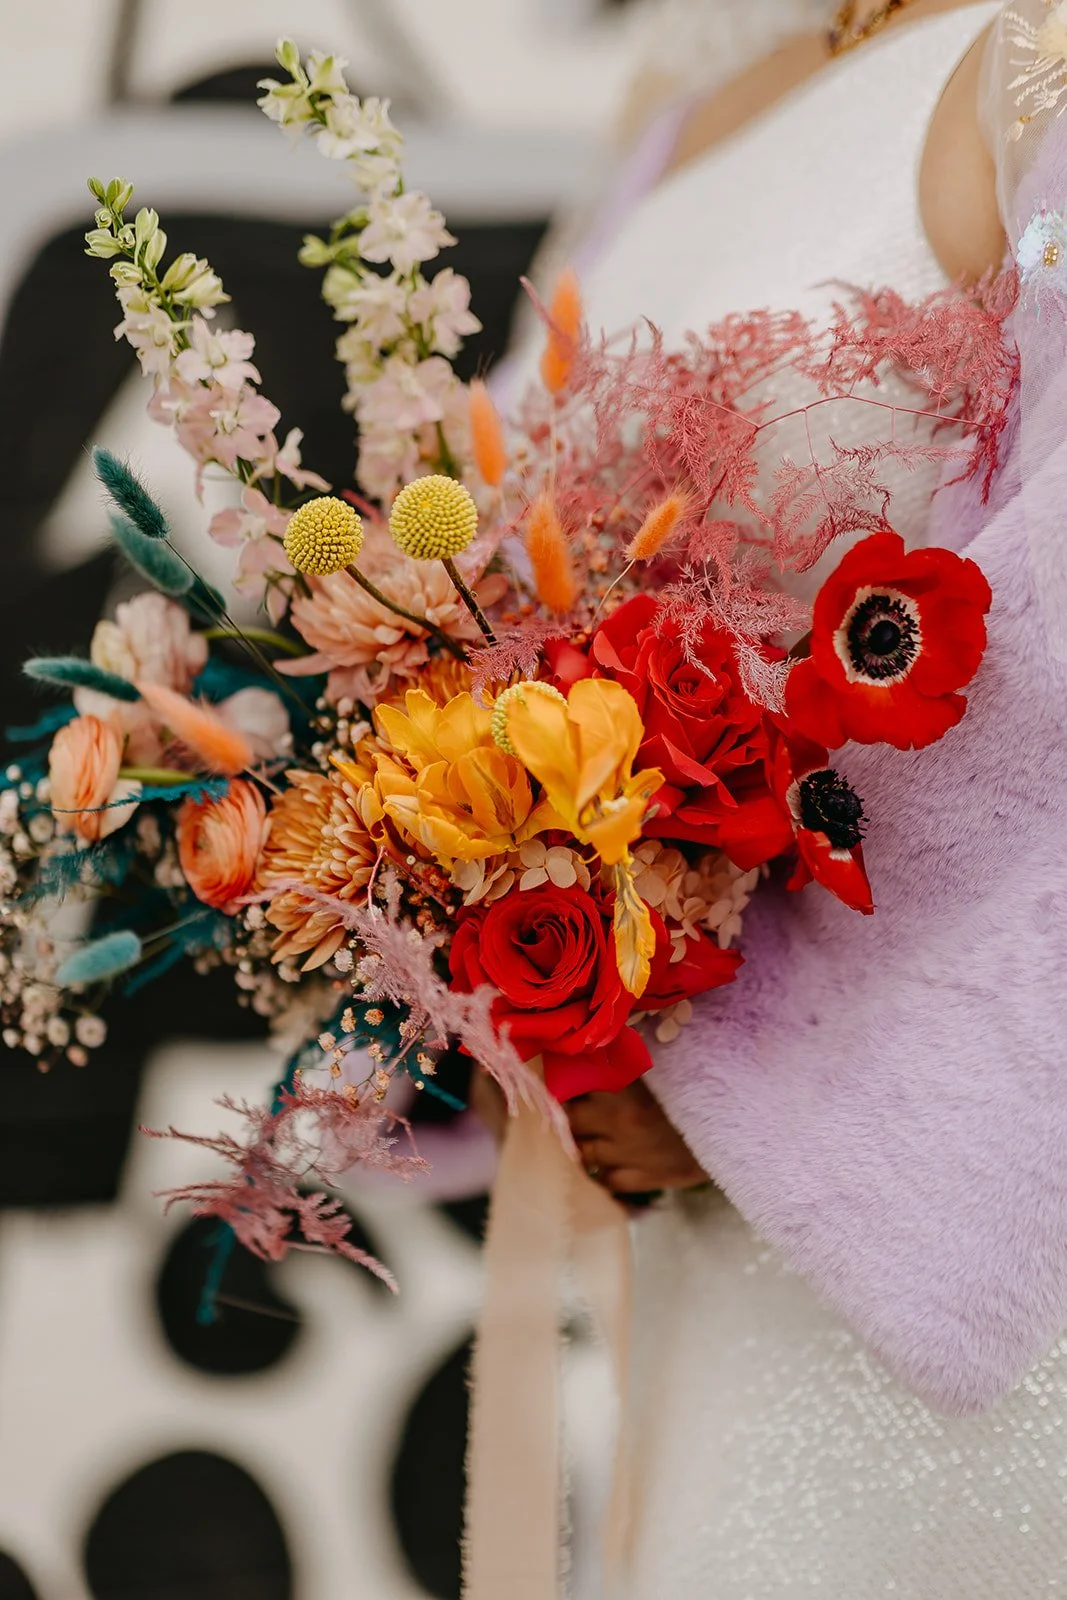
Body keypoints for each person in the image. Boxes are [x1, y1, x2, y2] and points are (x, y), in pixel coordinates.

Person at [481, 1, 1067, 1593]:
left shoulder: (1039, 70)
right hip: (704, 1219)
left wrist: (713, 1036)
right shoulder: (677, 106)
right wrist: (505, 939)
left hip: (968, 1226)